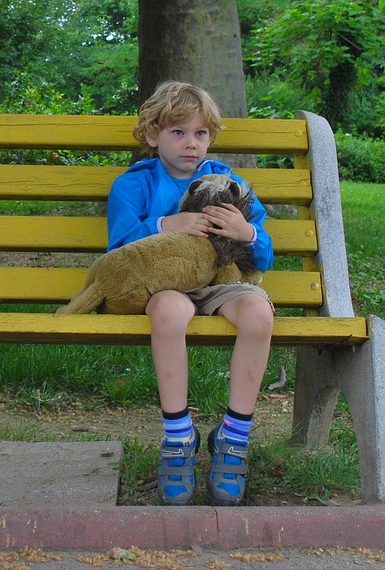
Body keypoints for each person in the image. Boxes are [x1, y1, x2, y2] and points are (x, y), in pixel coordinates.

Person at [106, 80, 275, 506]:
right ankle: (178, 438)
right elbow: (120, 247)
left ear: (211, 138)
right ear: (151, 135)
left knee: (258, 315)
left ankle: (234, 438)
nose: (190, 144)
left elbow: (265, 257)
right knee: (166, 314)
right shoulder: (135, 184)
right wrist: (166, 225)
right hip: (167, 286)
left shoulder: (229, 183)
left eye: (200, 134)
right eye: (177, 132)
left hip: (221, 280)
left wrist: (247, 231)